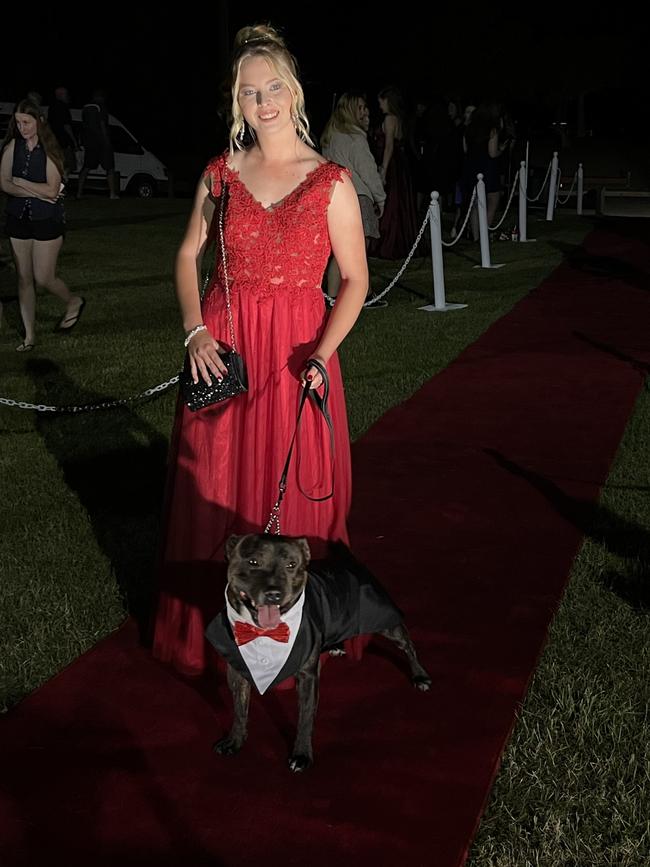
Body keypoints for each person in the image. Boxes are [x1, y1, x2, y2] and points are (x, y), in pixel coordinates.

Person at [152, 24, 368, 676]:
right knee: (214, 488)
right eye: (251, 92)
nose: (264, 101)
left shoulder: (331, 180)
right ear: (237, 103)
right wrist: (194, 329)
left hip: (297, 352)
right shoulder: (220, 174)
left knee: (295, 498)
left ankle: (297, 640)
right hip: (225, 353)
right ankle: (211, 635)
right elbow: (190, 254)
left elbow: (355, 279)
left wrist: (323, 353)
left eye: (274, 87)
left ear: (294, 92)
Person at [0, 99, 85, 351]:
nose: (21, 127)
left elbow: (51, 190)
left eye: (26, 122)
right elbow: (4, 183)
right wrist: (37, 191)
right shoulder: (11, 147)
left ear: (38, 121)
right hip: (18, 218)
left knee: (43, 277)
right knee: (24, 278)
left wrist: (21, 182)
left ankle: (73, 301)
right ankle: (29, 337)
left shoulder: (50, 150)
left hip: (47, 220)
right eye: (17, 123)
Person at [320, 91, 386, 302]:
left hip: (335, 196)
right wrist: (380, 197)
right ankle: (363, 295)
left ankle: (332, 295)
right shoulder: (355, 138)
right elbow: (367, 170)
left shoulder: (330, 136)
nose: (364, 111)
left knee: (340, 251)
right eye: (360, 107)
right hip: (358, 196)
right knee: (358, 250)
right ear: (349, 110)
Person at [368, 85, 418, 259]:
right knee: (399, 202)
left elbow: (389, 145)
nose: (379, 105)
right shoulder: (400, 118)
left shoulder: (390, 118)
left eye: (381, 102)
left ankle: (389, 242)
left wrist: (384, 169)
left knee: (391, 202)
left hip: (392, 165)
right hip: (400, 165)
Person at [77, 90, 118, 199]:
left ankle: (79, 193)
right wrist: (107, 141)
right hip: (101, 142)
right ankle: (112, 194)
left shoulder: (86, 108)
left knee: (86, 167)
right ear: (102, 97)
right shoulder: (101, 107)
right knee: (110, 168)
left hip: (89, 143)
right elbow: (102, 124)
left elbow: (84, 125)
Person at [48, 86, 79, 177]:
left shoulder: (52, 107)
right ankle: (61, 184)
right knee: (69, 165)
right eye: (66, 95)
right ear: (61, 95)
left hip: (54, 141)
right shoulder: (63, 107)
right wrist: (74, 142)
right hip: (64, 142)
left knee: (57, 165)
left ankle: (57, 184)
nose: (68, 97)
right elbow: (66, 126)